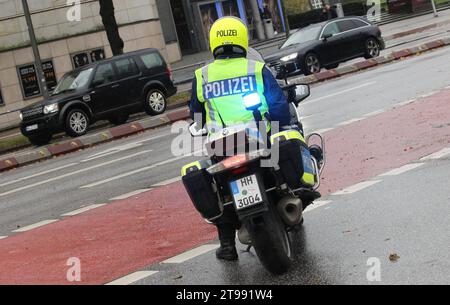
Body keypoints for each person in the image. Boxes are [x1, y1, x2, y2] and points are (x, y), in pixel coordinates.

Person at [188, 16, 292, 261]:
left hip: (221, 147)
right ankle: (290, 191)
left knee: (221, 191)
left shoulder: (201, 75)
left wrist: (205, 125)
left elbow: (196, 114)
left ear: (213, 42)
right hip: (258, 139)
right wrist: (281, 124)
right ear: (242, 39)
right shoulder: (255, 68)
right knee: (278, 160)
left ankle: (226, 245)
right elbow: (277, 106)